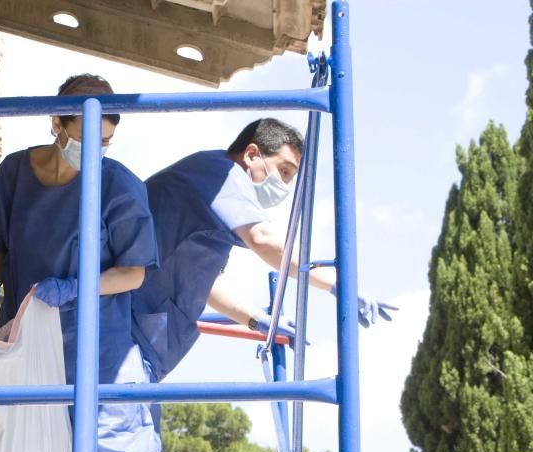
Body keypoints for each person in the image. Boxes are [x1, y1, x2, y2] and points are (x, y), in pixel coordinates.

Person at [0, 74, 170, 452]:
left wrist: (75, 287)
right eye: (86, 134)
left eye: (106, 140)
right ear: (55, 120)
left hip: (101, 353)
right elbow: (0, 248)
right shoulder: (15, 174)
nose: (95, 148)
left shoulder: (118, 184)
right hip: (32, 348)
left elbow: (134, 272)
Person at [132, 118, 396, 382]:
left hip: (140, 343)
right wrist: (338, 284)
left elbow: (204, 282)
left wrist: (256, 319)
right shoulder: (221, 175)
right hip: (125, 336)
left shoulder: (210, 204)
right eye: (284, 171)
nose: (286, 187)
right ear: (251, 154)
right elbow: (264, 239)